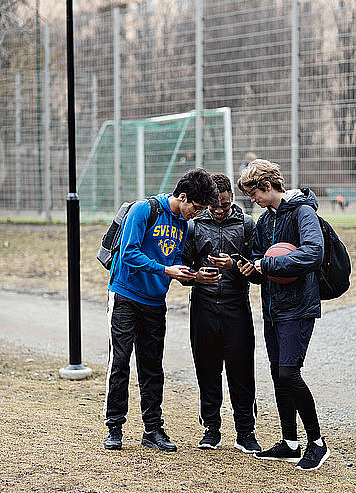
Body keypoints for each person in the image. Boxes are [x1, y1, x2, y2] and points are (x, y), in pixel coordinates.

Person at [103, 168, 219, 452]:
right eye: (197, 207)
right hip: (125, 296)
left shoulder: (181, 224)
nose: (198, 213)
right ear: (182, 196)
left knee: (152, 366)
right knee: (120, 361)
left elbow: (174, 257)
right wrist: (165, 269)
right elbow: (129, 252)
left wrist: (191, 275)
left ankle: (152, 429)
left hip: (155, 302)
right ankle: (114, 426)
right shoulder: (145, 210)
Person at [237, 159, 330, 471]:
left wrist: (269, 265)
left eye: (254, 195)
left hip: (298, 307)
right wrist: (250, 269)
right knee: (279, 374)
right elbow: (260, 262)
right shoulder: (266, 221)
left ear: (267, 186)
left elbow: (313, 253)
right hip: (272, 308)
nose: (253, 201)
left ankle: (317, 443)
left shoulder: (303, 211)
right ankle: (290, 443)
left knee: (290, 373)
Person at [181, 173, 261, 454]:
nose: (218, 211)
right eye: (214, 206)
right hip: (203, 306)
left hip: (236, 306)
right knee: (207, 369)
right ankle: (211, 429)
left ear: (232, 200)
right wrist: (195, 276)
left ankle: (246, 432)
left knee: (241, 370)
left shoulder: (247, 224)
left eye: (224, 206)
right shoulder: (193, 226)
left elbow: (256, 269)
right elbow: (182, 266)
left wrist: (234, 263)